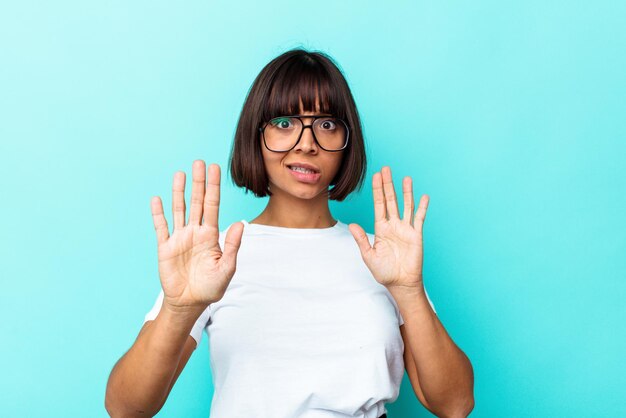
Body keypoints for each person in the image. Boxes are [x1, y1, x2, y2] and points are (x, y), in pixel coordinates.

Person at [105, 48, 474, 418]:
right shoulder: (213, 258)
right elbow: (125, 408)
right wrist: (178, 309)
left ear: (347, 144)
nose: (307, 143)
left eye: (327, 124)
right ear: (257, 134)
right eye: (285, 123)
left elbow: (455, 404)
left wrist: (408, 291)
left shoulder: (384, 259)